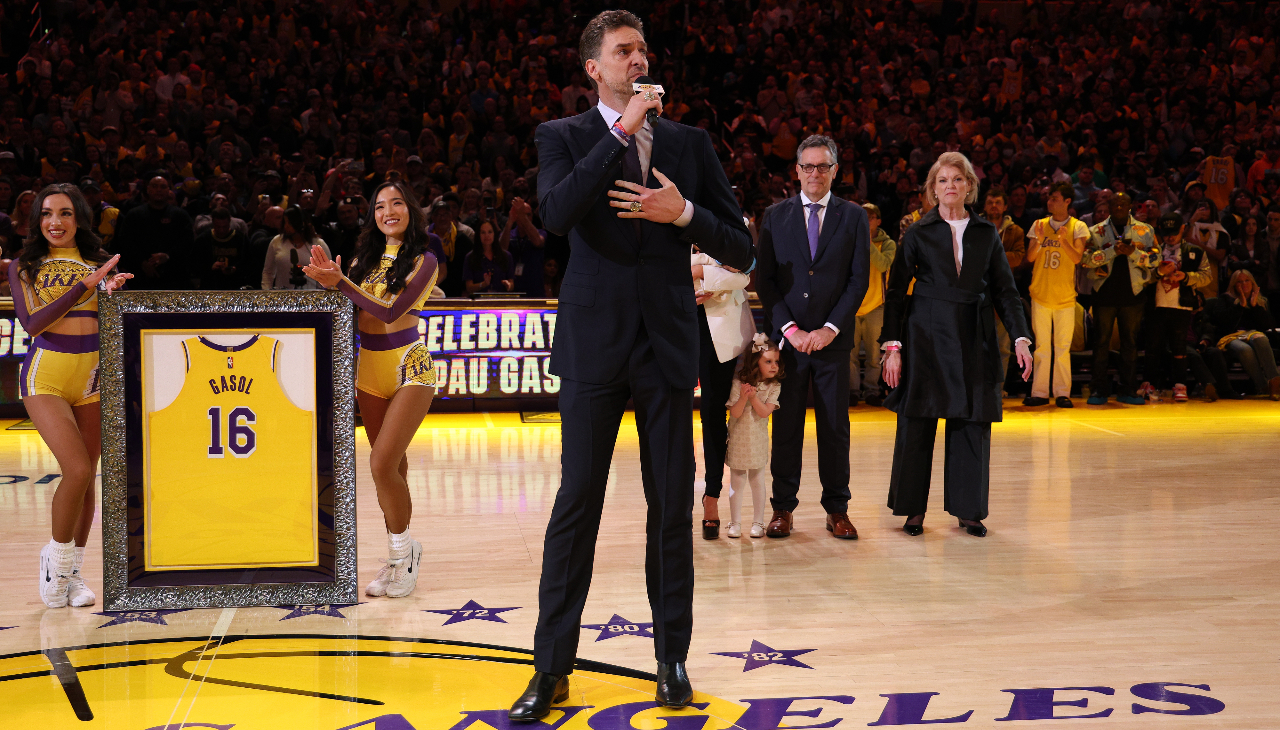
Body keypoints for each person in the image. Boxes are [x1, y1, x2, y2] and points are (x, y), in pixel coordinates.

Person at [508, 10, 753, 719]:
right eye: (623, 52)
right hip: (594, 347)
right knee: (575, 506)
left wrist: (683, 216)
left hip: (668, 348)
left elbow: (741, 248)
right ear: (593, 68)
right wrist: (620, 132)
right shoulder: (563, 136)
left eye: (643, 50)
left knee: (670, 511)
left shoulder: (689, 142)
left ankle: (671, 660)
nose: (637, 60)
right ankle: (550, 668)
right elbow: (556, 214)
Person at [881, 152, 1033, 538]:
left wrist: (1020, 337)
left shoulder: (987, 233)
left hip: (974, 336)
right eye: (942, 181)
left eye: (957, 179)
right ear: (932, 190)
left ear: (969, 186)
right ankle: (912, 510)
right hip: (925, 336)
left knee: (971, 423)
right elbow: (897, 291)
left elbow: (1005, 291)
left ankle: (968, 511)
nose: (950, 186)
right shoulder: (917, 232)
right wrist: (892, 347)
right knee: (917, 423)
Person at [302, 180, 440, 597]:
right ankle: (401, 553)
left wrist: (341, 282)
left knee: (380, 465)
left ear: (411, 210)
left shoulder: (425, 259)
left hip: (409, 367)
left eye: (397, 202)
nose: (388, 211)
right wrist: (330, 285)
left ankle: (404, 557)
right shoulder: (364, 260)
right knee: (392, 469)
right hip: (368, 373)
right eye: (380, 206)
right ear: (373, 216)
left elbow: (392, 310)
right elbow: (349, 310)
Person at [11, 184, 131, 607]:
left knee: (87, 481)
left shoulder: (100, 263)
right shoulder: (25, 264)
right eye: (46, 214)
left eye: (64, 213)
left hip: (93, 379)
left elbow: (110, 324)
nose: (55, 222)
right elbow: (32, 323)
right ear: (36, 221)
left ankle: (72, 575)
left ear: (79, 218)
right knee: (77, 471)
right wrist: (83, 288)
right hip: (46, 377)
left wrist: (112, 296)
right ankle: (56, 562)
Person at [755, 134, 871, 541]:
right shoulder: (775, 216)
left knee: (835, 429)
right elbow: (765, 282)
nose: (814, 173)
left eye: (823, 166)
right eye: (807, 166)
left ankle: (837, 509)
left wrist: (827, 329)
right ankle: (782, 508)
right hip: (787, 345)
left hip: (832, 343)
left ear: (835, 171)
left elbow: (859, 282)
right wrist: (790, 329)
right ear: (797, 170)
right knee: (786, 428)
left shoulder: (854, 217)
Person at [691, 246, 754, 539]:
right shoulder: (664, 215)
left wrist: (699, 271)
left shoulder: (731, 222)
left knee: (713, 417)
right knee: (671, 418)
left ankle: (712, 496)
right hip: (675, 324)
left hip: (723, 337)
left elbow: (742, 277)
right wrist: (716, 272)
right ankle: (675, 500)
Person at [1082, 192, 1159, 405]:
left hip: (1133, 295)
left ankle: (1128, 390)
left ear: (1130, 206)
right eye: (1114, 203)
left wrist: (1133, 252)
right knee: (1101, 343)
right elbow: (1086, 260)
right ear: (1108, 205)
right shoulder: (1095, 231)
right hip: (1103, 294)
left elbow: (1155, 260)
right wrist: (1112, 253)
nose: (1118, 207)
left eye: (1122, 203)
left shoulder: (1145, 230)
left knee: (1130, 344)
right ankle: (1098, 390)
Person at [1023, 182, 1088, 408]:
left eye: (1055, 198)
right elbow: (1030, 258)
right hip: (1041, 293)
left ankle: (1062, 393)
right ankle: (1039, 392)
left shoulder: (1078, 226)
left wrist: (1062, 240)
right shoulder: (1039, 224)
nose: (1050, 202)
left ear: (1068, 201)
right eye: (1049, 198)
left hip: (1065, 297)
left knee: (1062, 347)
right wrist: (1041, 240)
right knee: (1041, 346)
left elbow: (1077, 258)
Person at [1141, 214, 1212, 403]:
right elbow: (1141, 277)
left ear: (1182, 229)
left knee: (1179, 347)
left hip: (1181, 305)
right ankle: (1149, 383)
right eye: (1165, 233)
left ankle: (1180, 385)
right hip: (1156, 305)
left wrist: (1186, 277)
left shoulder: (1195, 251)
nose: (1169, 237)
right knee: (1152, 347)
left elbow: (1207, 276)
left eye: (1173, 233)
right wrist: (1158, 273)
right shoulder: (1152, 252)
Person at [723, 334, 783, 539]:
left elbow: (764, 412)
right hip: (739, 440)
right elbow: (736, 413)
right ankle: (735, 522)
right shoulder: (738, 383)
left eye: (776, 361)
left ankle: (758, 522)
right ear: (755, 362)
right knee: (736, 481)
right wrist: (742, 397)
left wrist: (753, 396)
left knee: (757, 480)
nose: (774, 366)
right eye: (768, 361)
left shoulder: (773, 386)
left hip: (757, 441)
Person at [1206, 270, 1280, 399]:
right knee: (1244, 349)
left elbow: (1267, 326)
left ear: (1252, 283)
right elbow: (1223, 324)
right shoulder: (1225, 299)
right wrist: (1240, 305)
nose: (1243, 284)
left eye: (1246, 280)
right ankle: (1262, 385)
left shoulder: (1261, 300)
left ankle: (1275, 382)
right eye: (1239, 282)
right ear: (1234, 284)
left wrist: (1255, 306)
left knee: (1261, 338)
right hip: (1230, 336)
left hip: (1251, 334)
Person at [850, 203, 895, 407]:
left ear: (878, 220)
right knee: (849, 354)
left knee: (874, 355)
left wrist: (867, 242)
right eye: (862, 216)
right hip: (851, 306)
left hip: (876, 306)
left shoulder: (888, 243)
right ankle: (851, 391)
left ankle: (871, 390)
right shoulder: (848, 240)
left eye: (870, 217)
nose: (866, 221)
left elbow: (883, 264)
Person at [113, 175, 193, 289]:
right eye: (155, 186)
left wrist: (168, 256)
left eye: (163, 187)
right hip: (140, 278)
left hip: (174, 278)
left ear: (169, 190)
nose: (159, 190)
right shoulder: (134, 215)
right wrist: (142, 263)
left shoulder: (180, 216)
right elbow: (125, 243)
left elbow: (187, 242)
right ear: (148, 190)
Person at [262, 206, 331, 290]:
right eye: (285, 223)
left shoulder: (319, 244)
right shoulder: (277, 241)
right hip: (282, 297)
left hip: (311, 297)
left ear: (301, 224)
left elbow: (327, 275)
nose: (286, 226)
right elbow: (268, 272)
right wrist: (266, 293)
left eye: (290, 223)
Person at [194, 207, 253, 289]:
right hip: (211, 285)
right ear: (213, 223)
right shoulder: (203, 239)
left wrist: (235, 268)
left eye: (224, 227)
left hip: (235, 285)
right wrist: (210, 267)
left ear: (229, 223)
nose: (221, 230)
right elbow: (195, 264)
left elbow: (249, 262)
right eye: (218, 227)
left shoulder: (241, 239)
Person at [462, 218, 515, 293]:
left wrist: (509, 285)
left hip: (501, 300)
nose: (487, 235)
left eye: (490, 232)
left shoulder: (506, 256)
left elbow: (512, 283)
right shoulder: (470, 257)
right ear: (478, 235)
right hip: (480, 301)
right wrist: (483, 284)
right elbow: (469, 288)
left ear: (494, 234)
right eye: (483, 232)